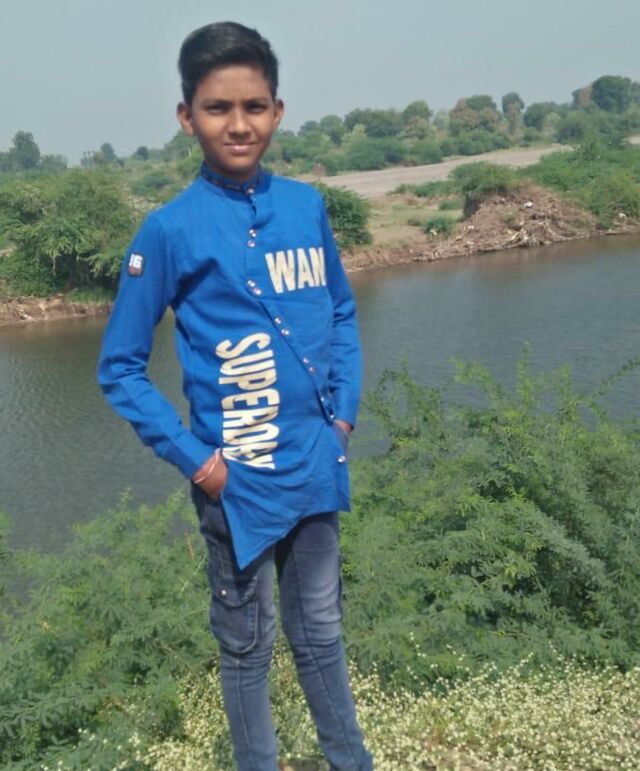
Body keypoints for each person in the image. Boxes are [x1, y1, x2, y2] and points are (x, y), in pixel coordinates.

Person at [97, 20, 373, 771]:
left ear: (278, 111)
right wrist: (200, 463)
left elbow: (340, 312)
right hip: (236, 482)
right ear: (187, 117)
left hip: (314, 463)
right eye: (218, 108)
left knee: (321, 629)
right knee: (247, 646)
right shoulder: (168, 231)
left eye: (254, 106)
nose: (239, 124)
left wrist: (343, 417)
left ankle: (350, 761)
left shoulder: (306, 207)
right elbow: (120, 368)